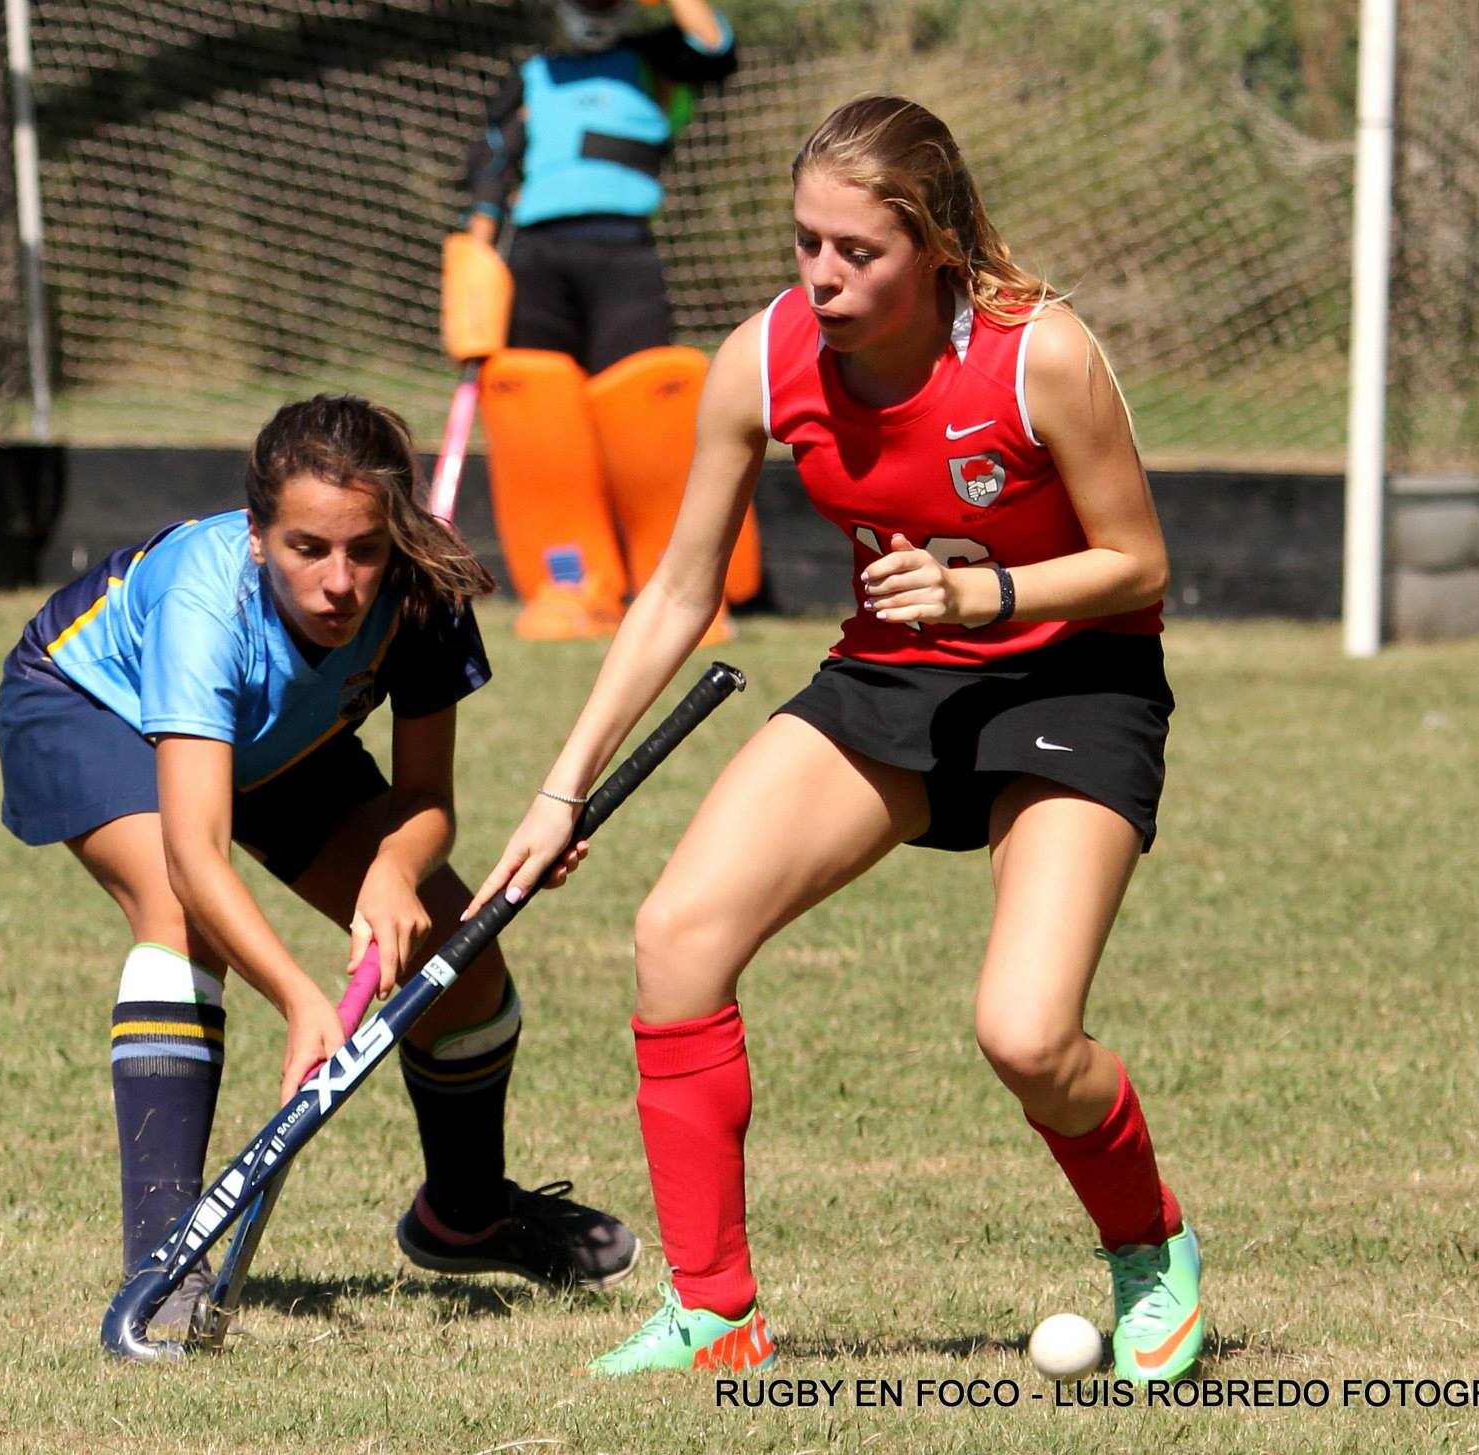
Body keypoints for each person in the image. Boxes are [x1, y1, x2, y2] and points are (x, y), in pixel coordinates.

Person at [466, 96, 1201, 1381]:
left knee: (1026, 1035)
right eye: (803, 241)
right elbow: (681, 590)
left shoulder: (1043, 356)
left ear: (932, 244)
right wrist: (557, 789)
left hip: (1071, 685)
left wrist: (991, 594)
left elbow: (1138, 561)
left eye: (852, 251)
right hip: (887, 682)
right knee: (676, 937)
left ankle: (1150, 1252)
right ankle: (714, 1314)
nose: (819, 274)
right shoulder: (757, 359)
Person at [0, 394, 638, 1332]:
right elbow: (193, 853)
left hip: (280, 739)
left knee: (464, 966)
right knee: (180, 925)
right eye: (307, 549)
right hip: (94, 702)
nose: (339, 582)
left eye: (364, 550)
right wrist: (301, 998)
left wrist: (394, 869)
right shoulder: (200, 601)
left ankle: (464, 1215)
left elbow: (428, 800)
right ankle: (165, 1263)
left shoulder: (421, 594)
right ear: (257, 536)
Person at [458, 0, 759, 640]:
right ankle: (570, 586)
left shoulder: (654, 61)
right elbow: (491, 164)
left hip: (623, 255)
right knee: (541, 418)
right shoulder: (533, 74)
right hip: (535, 259)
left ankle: (677, 589)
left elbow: (716, 50)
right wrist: (473, 260)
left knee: (650, 418)